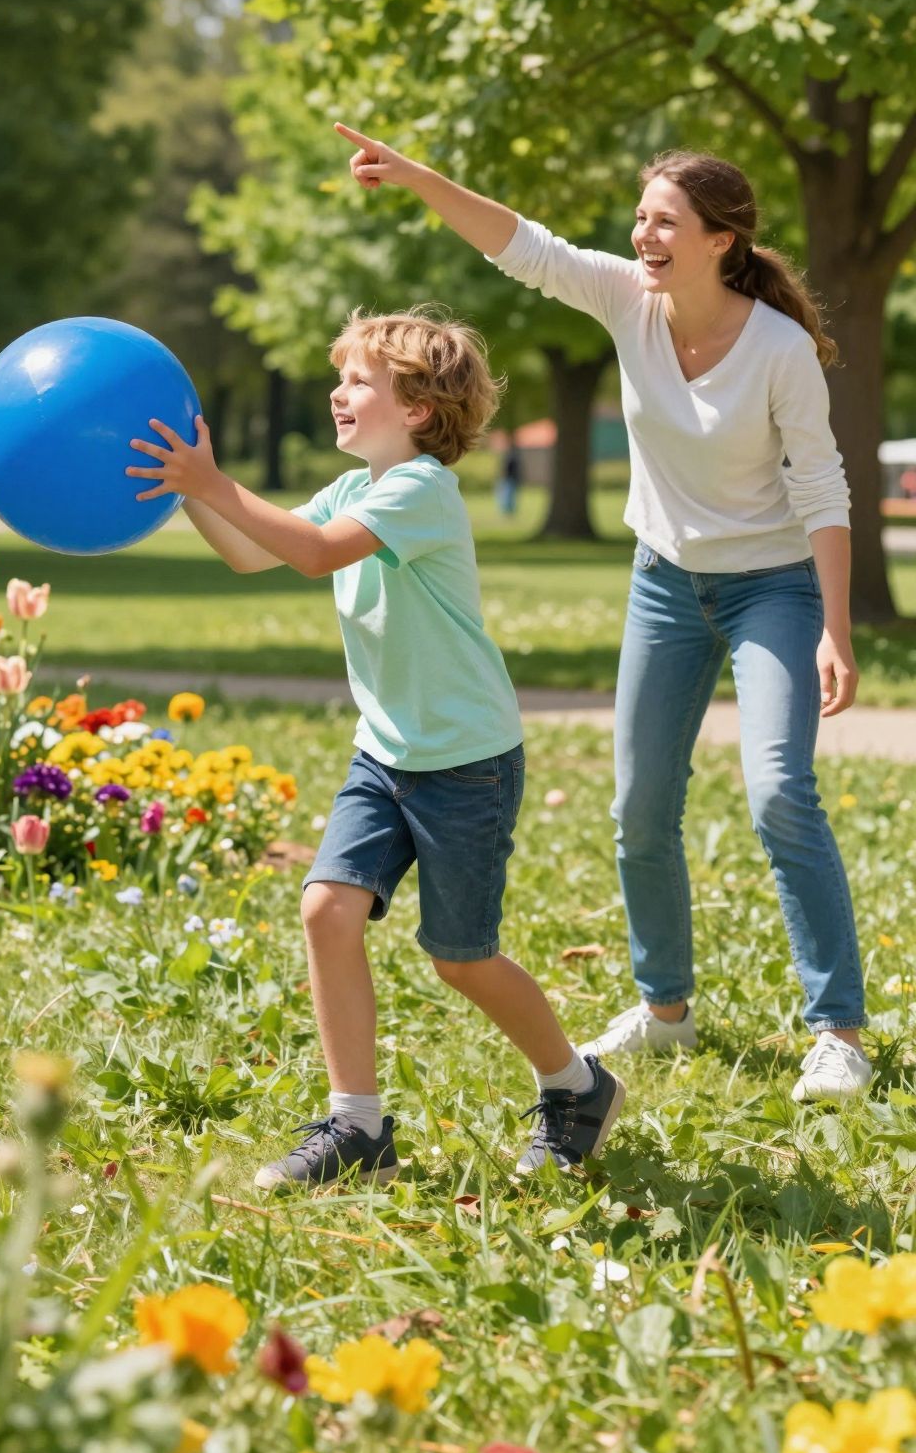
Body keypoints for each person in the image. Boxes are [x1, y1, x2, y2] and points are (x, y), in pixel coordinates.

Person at [334, 125, 869, 1104]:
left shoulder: (779, 347)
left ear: (721, 238)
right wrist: (416, 179)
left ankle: (838, 1029)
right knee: (638, 806)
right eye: (640, 218)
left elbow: (823, 484)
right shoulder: (629, 298)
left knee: (778, 790)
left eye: (664, 221)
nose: (643, 235)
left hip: (772, 587)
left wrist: (835, 623)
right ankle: (667, 1007)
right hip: (664, 580)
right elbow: (521, 244)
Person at [126, 308, 626, 1187]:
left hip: (466, 761)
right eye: (342, 377)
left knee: (460, 957)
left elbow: (315, 555)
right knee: (326, 909)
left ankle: (576, 1085)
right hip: (385, 753)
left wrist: (209, 480)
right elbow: (253, 552)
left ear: (422, 412)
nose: (337, 390)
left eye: (360, 380)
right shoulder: (355, 487)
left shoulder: (420, 490)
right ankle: (356, 1126)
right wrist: (188, 489)